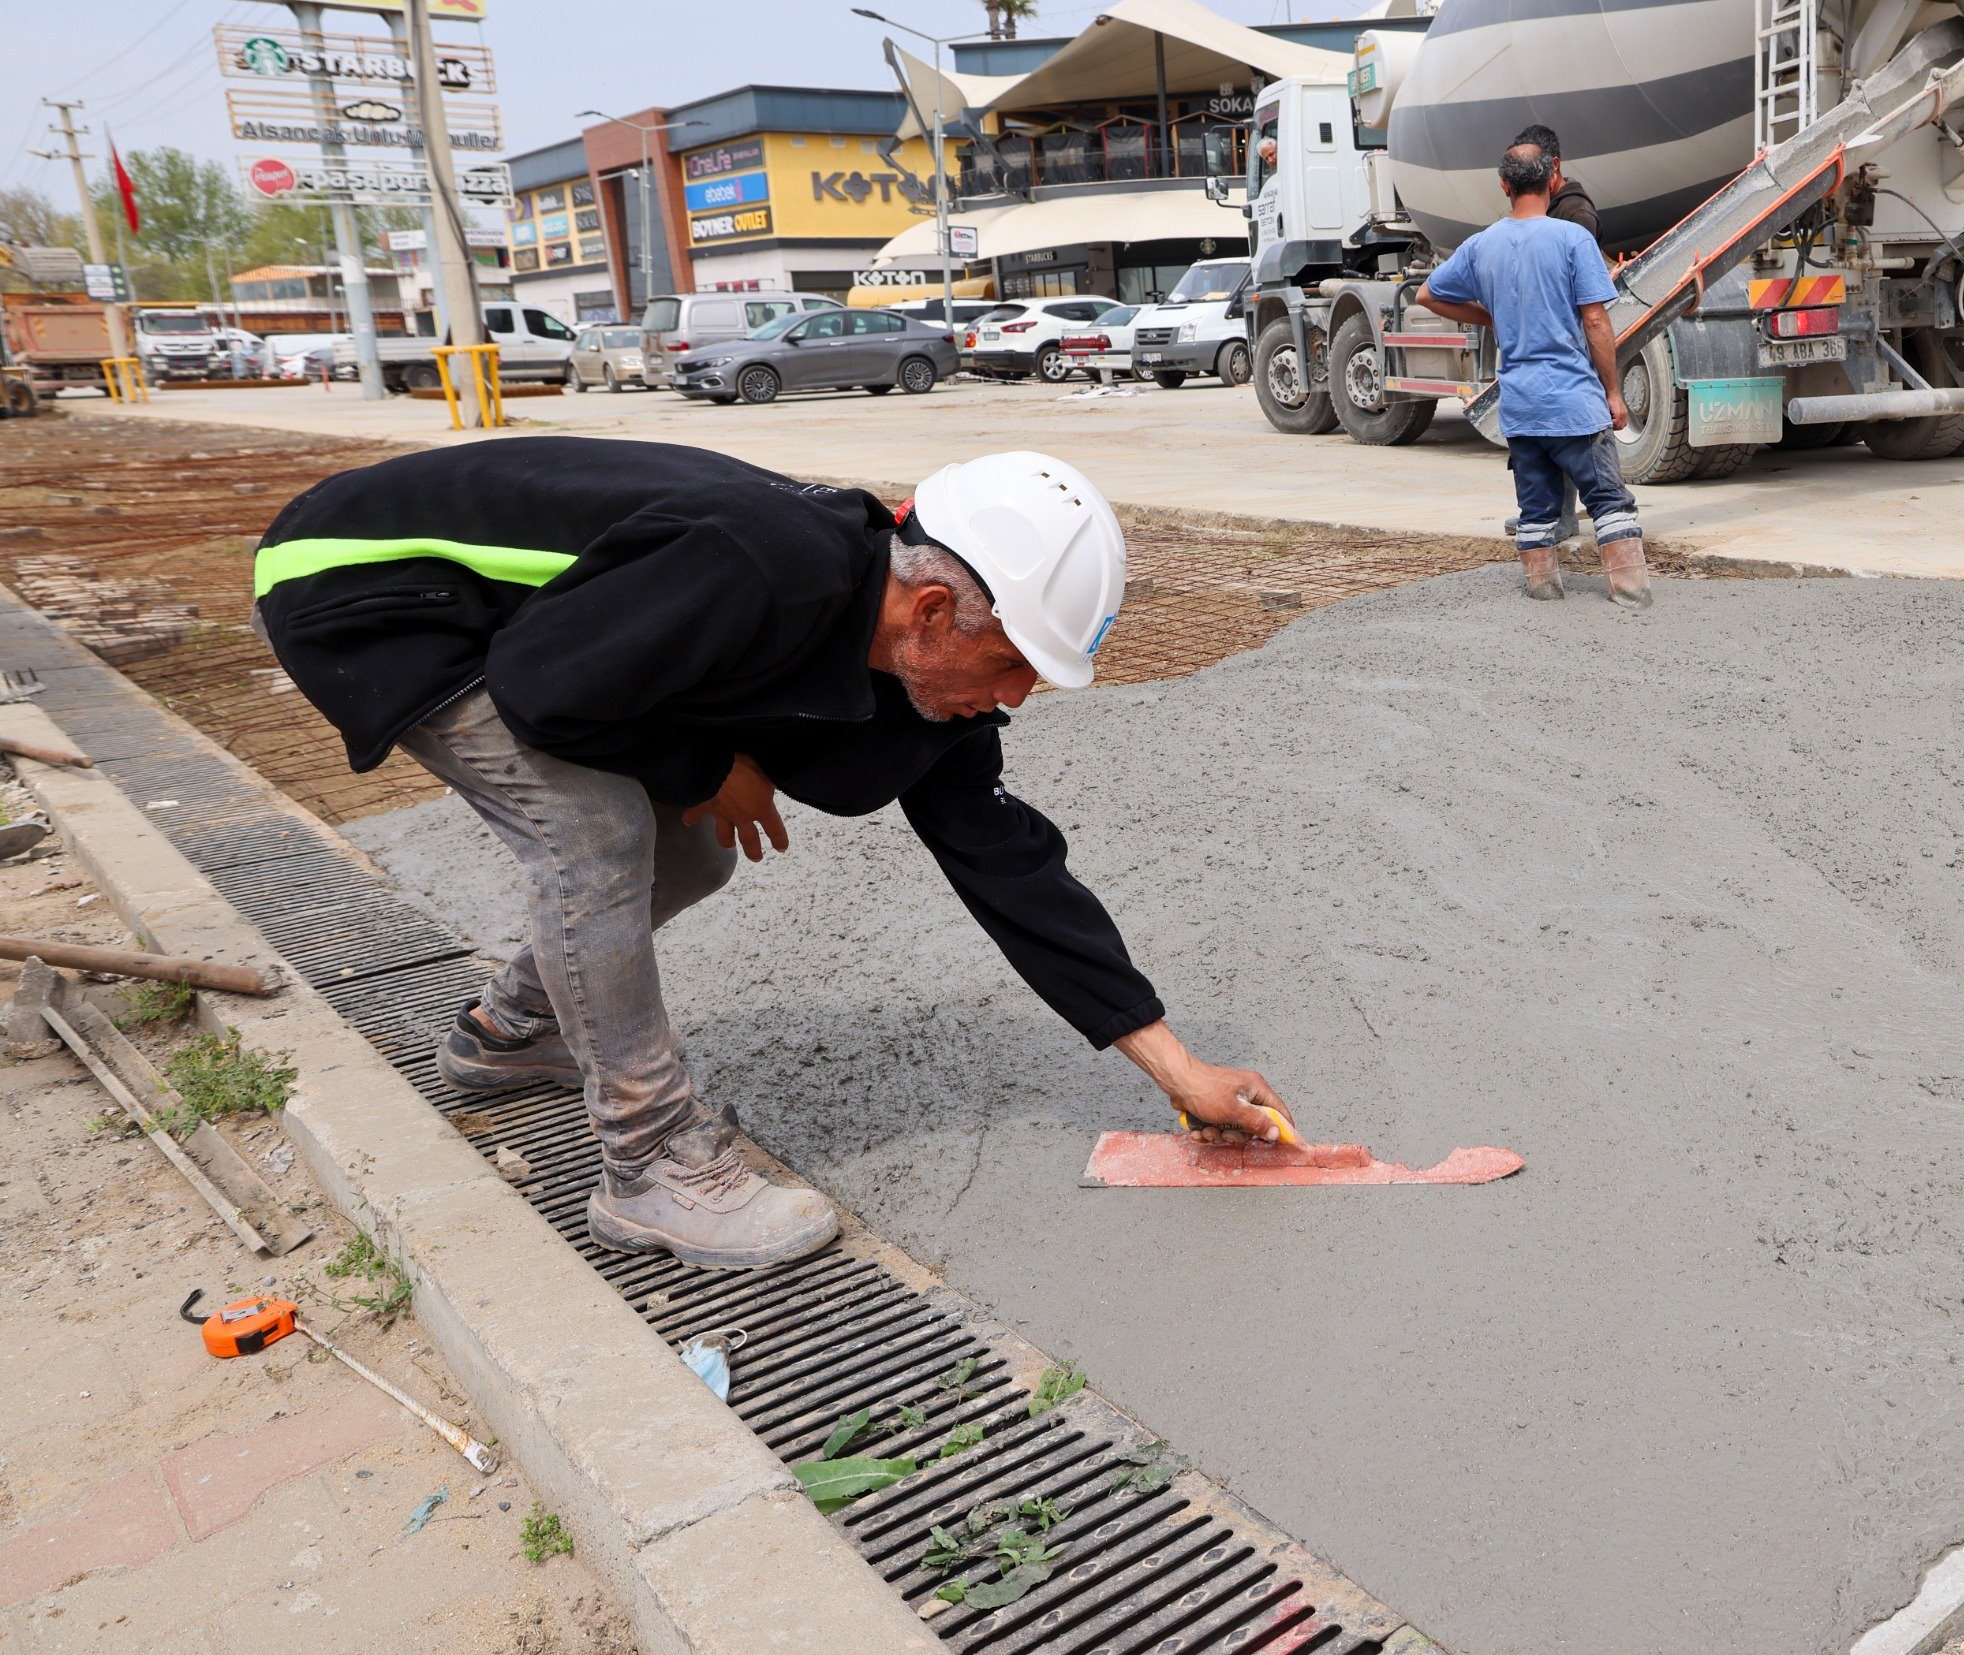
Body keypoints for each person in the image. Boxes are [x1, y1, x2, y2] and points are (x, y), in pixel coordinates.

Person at [254, 441, 1298, 1270]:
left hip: (537, 635)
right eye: (1013, 662)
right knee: (598, 831)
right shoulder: (763, 563)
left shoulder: (919, 673)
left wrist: (1177, 1066)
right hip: (373, 590)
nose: (1017, 696)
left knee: (695, 857)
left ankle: (509, 1030)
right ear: (932, 608)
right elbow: (542, 686)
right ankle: (649, 1164)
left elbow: (1006, 859)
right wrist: (706, 761)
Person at [1418, 140, 1651, 609]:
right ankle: (1630, 592)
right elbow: (1596, 321)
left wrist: (1492, 318)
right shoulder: (1572, 240)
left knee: (1536, 508)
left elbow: (1426, 295)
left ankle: (1544, 590)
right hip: (1573, 402)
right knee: (1608, 499)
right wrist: (1613, 392)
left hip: (1520, 405)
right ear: (1552, 180)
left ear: (1503, 185)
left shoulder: (1481, 245)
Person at [1512, 123, 1601, 243]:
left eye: (1534, 166)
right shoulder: (1539, 203)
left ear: (1554, 165)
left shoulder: (1577, 213)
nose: (1527, 174)